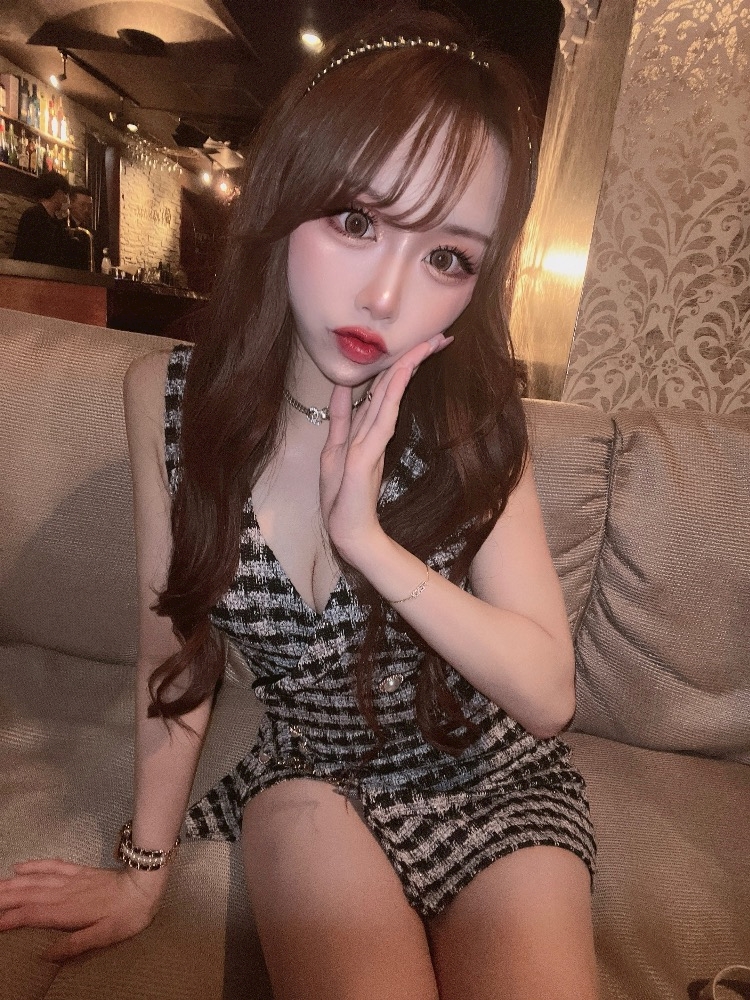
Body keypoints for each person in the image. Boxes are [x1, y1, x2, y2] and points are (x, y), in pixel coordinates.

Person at [0, 10, 599, 999]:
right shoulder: (171, 403)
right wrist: (141, 875)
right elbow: (173, 653)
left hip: (492, 786)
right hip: (314, 779)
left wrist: (368, 540)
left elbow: (547, 695)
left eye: (448, 256)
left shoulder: (473, 420)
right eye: (357, 221)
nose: (386, 296)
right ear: (284, 195)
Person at [12, 170, 70, 267]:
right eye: (65, 194)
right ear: (58, 194)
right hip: (31, 272)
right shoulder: (33, 216)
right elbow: (27, 253)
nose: (66, 199)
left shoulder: (56, 221)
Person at [64, 186, 96, 271]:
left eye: (89, 206)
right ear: (71, 203)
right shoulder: (62, 227)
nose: (86, 210)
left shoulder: (92, 233)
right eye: (82, 205)